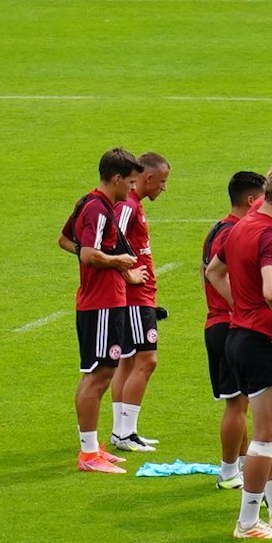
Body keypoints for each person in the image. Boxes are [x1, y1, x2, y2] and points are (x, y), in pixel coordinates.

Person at [212, 163, 272, 539]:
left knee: (268, 431)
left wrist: (241, 307)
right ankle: (249, 522)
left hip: (238, 334)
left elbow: (214, 272)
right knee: (266, 436)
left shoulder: (239, 227)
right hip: (266, 340)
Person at [64, 148, 144, 474]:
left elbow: (65, 240)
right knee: (98, 377)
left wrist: (111, 266)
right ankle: (87, 455)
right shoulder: (97, 210)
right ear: (116, 178)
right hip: (101, 305)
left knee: (96, 374)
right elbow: (86, 253)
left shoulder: (90, 203)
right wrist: (116, 263)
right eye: (130, 182)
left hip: (102, 301)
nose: (131, 189)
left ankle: (93, 447)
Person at [205, 171, 265, 491]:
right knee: (236, 404)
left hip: (218, 324)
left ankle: (239, 465)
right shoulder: (234, 233)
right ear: (251, 200)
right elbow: (218, 275)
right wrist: (242, 307)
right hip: (229, 325)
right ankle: (228, 471)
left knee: (239, 401)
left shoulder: (219, 227)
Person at [107, 152, 171, 453]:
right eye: (162, 182)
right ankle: (125, 432)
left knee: (128, 361)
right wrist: (126, 271)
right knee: (147, 360)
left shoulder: (136, 206)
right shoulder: (129, 206)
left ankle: (122, 431)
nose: (164, 188)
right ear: (148, 178)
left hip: (139, 296)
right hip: (136, 297)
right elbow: (111, 236)